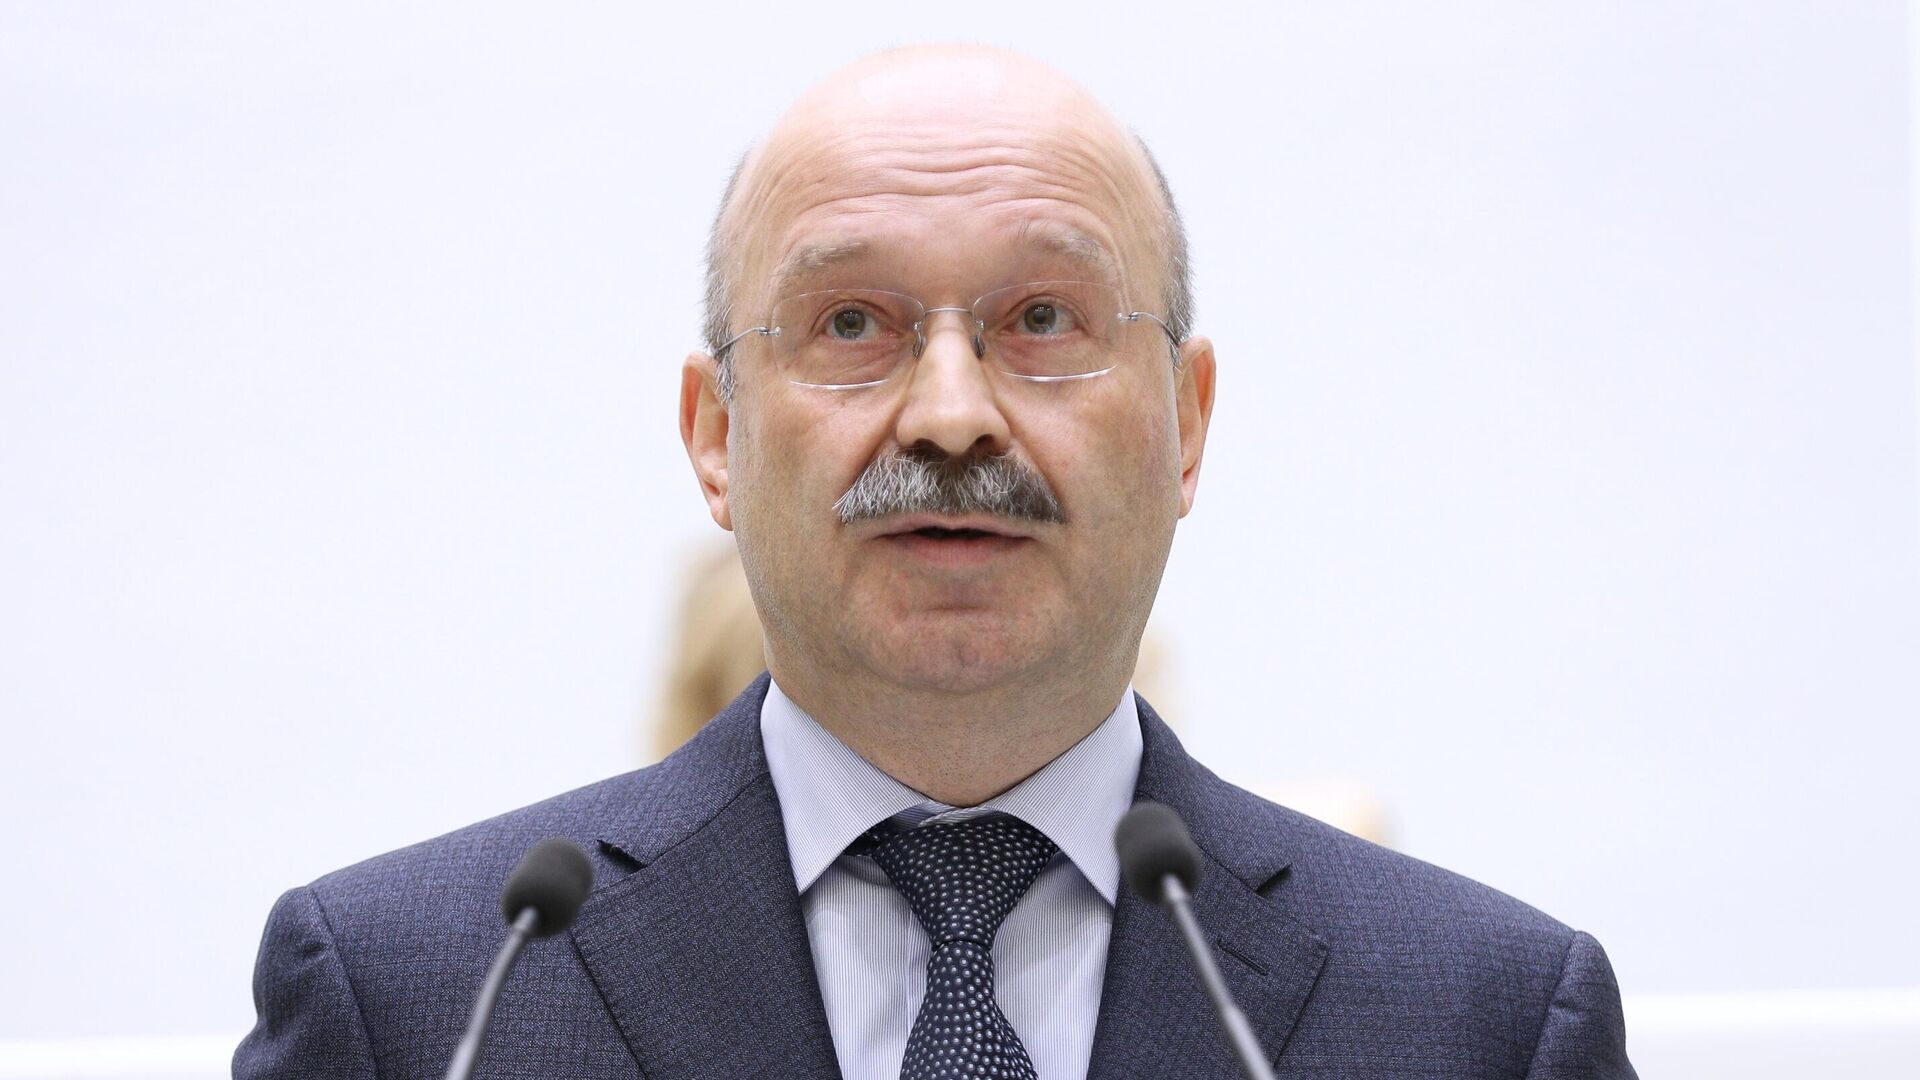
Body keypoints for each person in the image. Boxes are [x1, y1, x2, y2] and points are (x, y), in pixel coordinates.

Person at [235, 45, 1635, 1079]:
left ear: (1188, 424)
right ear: (715, 436)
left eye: (1043, 319)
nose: (952, 414)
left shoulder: (1485, 1021)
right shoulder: (422, 1002)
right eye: (852, 324)